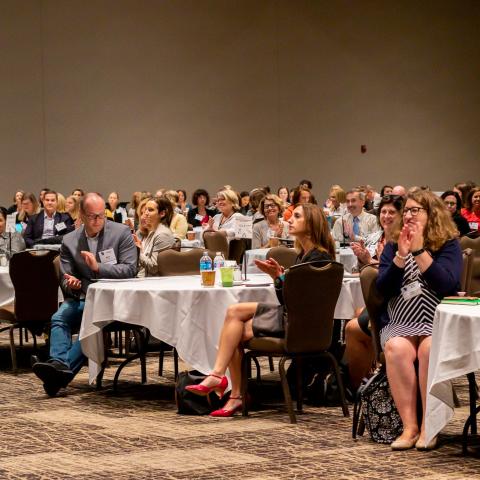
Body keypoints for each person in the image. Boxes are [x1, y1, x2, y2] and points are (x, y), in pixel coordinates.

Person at [185, 203, 335, 416]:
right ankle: (232, 391)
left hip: (298, 324)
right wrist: (280, 277)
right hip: (295, 318)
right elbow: (292, 298)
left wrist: (279, 278)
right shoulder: (307, 255)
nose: (289, 219)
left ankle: (225, 383)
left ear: (311, 225)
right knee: (234, 320)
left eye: (297, 216)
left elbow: (297, 302)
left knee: (234, 318)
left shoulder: (318, 258)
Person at [376, 189, 462, 450]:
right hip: (400, 319)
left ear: (431, 214)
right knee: (396, 348)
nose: (410, 215)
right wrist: (401, 255)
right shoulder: (393, 243)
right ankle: (409, 426)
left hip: (435, 319)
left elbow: (447, 284)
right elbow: (383, 289)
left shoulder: (447, 243)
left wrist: (419, 250)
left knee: (428, 349)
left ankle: (429, 425)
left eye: (417, 210)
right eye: (408, 211)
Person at [31, 193, 138, 396]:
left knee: (89, 327)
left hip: (112, 301)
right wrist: (71, 284)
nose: (97, 221)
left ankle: (55, 375)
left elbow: (130, 269)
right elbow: (64, 277)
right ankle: (58, 364)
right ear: (81, 214)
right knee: (59, 317)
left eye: (101, 216)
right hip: (82, 296)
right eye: (92, 216)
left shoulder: (121, 232)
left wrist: (98, 267)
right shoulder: (70, 240)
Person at [344, 195, 403, 391]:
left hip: (395, 302)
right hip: (379, 298)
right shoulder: (375, 237)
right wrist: (363, 259)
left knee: (352, 327)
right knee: (356, 312)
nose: (386, 216)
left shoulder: (402, 240)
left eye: (392, 212)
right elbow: (363, 271)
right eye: (383, 212)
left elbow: (390, 276)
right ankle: (369, 378)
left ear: (401, 215)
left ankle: (358, 389)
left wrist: (371, 261)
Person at [133, 197, 176, 277]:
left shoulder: (163, 234)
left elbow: (154, 268)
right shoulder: (152, 231)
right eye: (145, 209)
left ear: (162, 214)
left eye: (150, 210)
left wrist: (137, 251)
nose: (145, 213)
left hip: (154, 283)